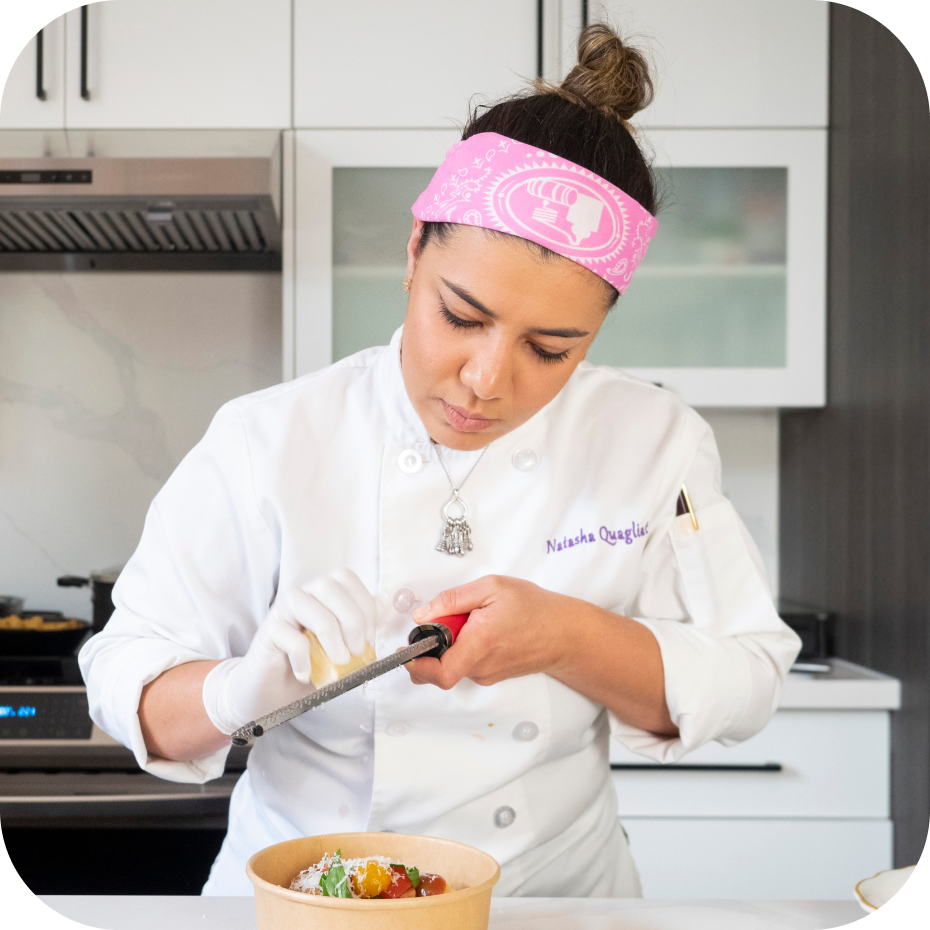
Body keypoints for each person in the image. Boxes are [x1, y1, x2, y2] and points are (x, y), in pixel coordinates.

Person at [80, 24, 801, 897]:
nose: (487, 380)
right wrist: (236, 693)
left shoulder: (654, 439)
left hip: (549, 906)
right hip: (304, 901)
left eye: (552, 348)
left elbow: (746, 677)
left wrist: (563, 636)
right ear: (415, 250)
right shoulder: (267, 439)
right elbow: (130, 686)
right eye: (461, 317)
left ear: (601, 329)